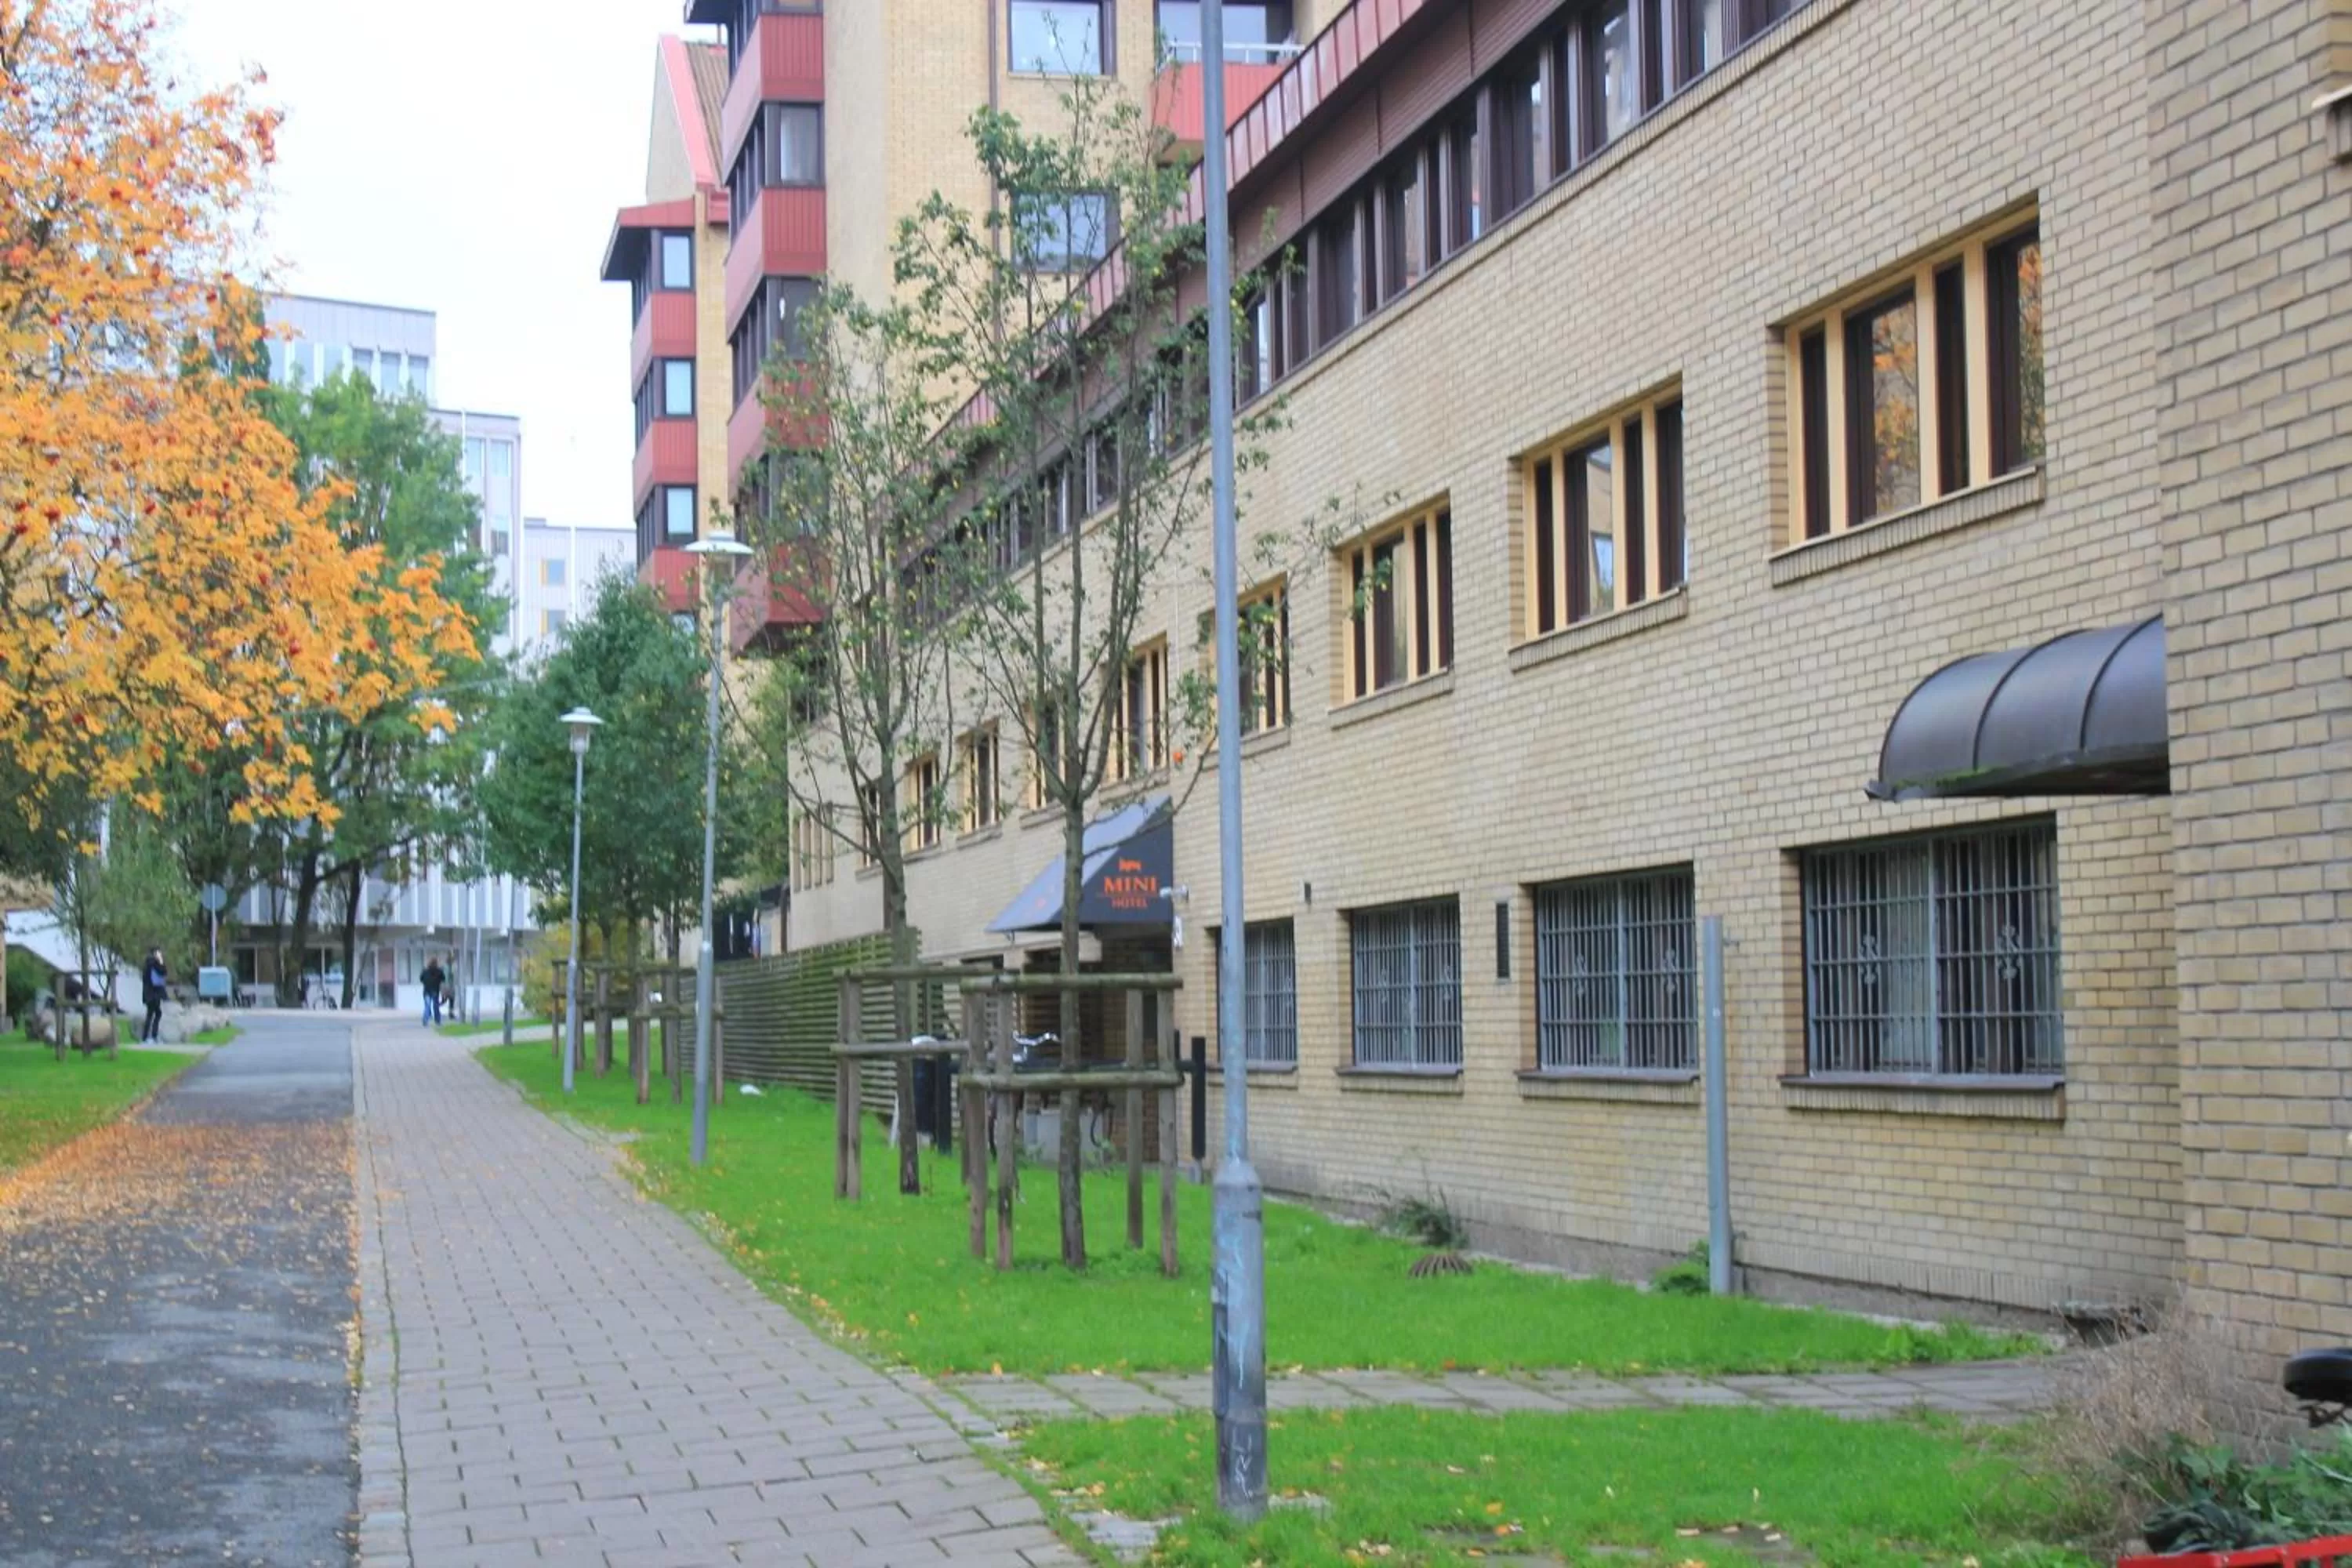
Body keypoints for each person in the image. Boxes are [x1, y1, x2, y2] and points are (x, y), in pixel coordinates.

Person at [140, 948, 168, 1044]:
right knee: (156, 1014)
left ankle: (146, 1037)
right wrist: (161, 961)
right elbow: (164, 971)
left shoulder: (147, 964)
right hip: (154, 994)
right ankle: (152, 1036)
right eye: (159, 953)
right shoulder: (155, 964)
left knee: (151, 1014)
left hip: (148, 994)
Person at [419, 955, 445, 1027]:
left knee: (427, 1006)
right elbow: (443, 979)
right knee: (436, 1007)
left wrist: (426, 983)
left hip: (427, 991)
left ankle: (425, 1021)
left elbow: (421, 979)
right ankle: (438, 1021)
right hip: (435, 991)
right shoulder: (439, 971)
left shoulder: (425, 971)